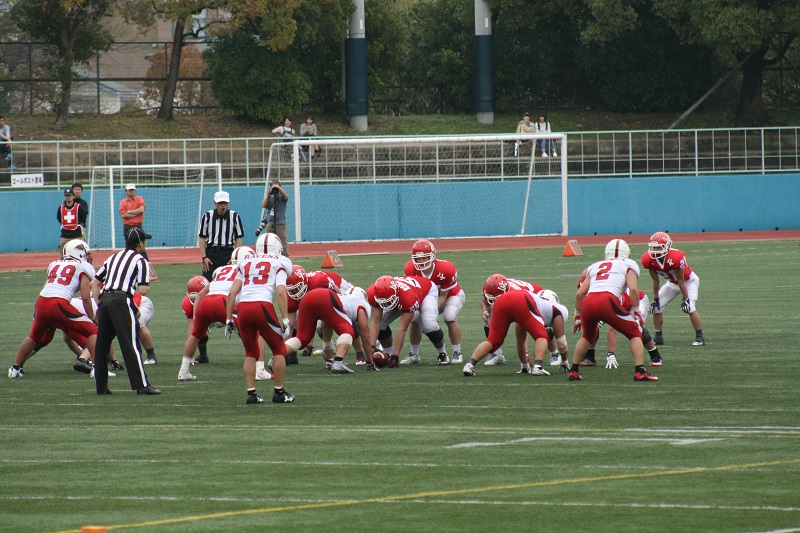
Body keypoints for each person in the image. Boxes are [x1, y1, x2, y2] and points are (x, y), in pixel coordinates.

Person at [566, 239, 658, 382]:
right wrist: (636, 311)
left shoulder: (595, 266)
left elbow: (579, 294)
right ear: (626, 253)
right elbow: (633, 289)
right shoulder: (629, 264)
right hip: (607, 300)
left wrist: (577, 317)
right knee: (635, 332)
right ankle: (640, 371)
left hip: (588, 302)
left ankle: (574, 370)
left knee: (587, 336)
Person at [179, 246, 272, 382]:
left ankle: (183, 371)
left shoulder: (221, 269)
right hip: (223, 303)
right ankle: (260, 370)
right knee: (256, 331)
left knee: (195, 335)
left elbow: (199, 295)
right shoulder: (247, 270)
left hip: (206, 303)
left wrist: (196, 318)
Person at [8, 239, 98, 379]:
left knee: (34, 336)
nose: (87, 257)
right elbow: (86, 297)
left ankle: (15, 368)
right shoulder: (82, 267)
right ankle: (99, 369)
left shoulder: (54, 264)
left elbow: (47, 287)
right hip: (58, 304)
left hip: (41, 302)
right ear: (79, 253)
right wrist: (92, 319)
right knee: (93, 331)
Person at [225, 232, 295, 404]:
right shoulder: (280, 261)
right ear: (277, 247)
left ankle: (251, 394)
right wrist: (285, 318)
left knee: (250, 353)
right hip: (262, 306)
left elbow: (232, 293)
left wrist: (228, 319)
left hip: (243, 308)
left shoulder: (245, 261)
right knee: (279, 349)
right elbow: (280, 291)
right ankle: (279, 392)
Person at [90, 227, 160, 395]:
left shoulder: (113, 257)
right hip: (121, 301)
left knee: (102, 345)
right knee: (131, 344)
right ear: (140, 243)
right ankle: (141, 385)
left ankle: (101, 387)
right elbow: (142, 290)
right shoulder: (140, 260)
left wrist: (100, 303)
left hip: (105, 300)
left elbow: (94, 283)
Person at [284, 287, 378, 373]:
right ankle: (338, 362)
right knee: (348, 332)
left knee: (302, 338)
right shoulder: (361, 306)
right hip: (326, 297)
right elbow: (366, 338)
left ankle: (279, 354)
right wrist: (370, 362)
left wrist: (329, 360)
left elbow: (326, 335)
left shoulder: (344, 299)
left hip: (308, 297)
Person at [462, 289, 552, 378]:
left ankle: (470, 364)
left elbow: (520, 341)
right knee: (541, 335)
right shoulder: (544, 299)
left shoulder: (510, 287)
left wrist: (525, 365)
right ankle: (538, 366)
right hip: (521, 300)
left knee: (492, 341)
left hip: (501, 301)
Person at [402, 239, 466, 363]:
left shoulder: (446, 269)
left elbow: (443, 295)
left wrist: (431, 314)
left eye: (424, 257)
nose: (421, 261)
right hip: (427, 299)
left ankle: (457, 352)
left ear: (432, 255)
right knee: (414, 318)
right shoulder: (410, 269)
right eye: (418, 258)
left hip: (451, 296)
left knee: (449, 317)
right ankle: (414, 354)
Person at [367, 275, 449, 367]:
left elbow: (402, 329)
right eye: (383, 302)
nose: (386, 304)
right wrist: (372, 348)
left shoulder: (408, 298)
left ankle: (442, 353)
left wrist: (395, 356)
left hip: (426, 291)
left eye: (388, 301)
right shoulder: (373, 293)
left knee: (429, 325)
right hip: (402, 295)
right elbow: (375, 321)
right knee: (381, 324)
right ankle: (388, 354)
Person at [641, 231, 705, 346]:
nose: (655, 251)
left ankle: (699, 337)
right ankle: (658, 337)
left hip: (688, 282)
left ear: (667, 246)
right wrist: (656, 299)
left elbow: (681, 280)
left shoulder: (676, 257)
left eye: (658, 247)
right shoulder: (648, 259)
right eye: (653, 247)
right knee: (656, 308)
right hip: (671, 283)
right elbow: (655, 281)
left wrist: (685, 299)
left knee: (689, 307)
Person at [480, 274, 544, 369]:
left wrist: (525, 353)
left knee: (541, 326)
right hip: (516, 298)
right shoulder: (491, 289)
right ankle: (497, 354)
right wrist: (485, 312)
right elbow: (484, 301)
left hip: (536, 296)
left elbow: (522, 324)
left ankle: (554, 353)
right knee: (488, 318)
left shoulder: (515, 293)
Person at [199, 190, 244, 282]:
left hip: (228, 253)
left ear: (228, 203)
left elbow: (239, 237)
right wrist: (204, 257)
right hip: (212, 253)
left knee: (229, 282)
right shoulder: (207, 216)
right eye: (220, 203)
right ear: (215, 203)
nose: (222, 205)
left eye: (225, 203)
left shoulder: (235, 216)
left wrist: (235, 257)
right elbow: (202, 237)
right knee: (206, 282)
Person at [259, 181, 290, 257]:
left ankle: (286, 260)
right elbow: (263, 205)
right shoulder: (270, 198)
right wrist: (268, 194)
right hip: (270, 224)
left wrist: (278, 188)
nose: (275, 189)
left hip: (280, 225)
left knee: (283, 245)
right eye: (273, 187)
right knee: (269, 244)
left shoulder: (282, 198)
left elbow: (285, 196)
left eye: (277, 187)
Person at [119, 183, 148, 261]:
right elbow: (123, 215)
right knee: (129, 247)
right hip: (128, 227)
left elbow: (141, 210)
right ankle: (129, 262)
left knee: (141, 245)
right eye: (129, 190)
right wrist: (136, 213)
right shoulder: (123, 202)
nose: (131, 191)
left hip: (138, 226)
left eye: (133, 190)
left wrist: (129, 212)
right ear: (126, 191)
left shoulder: (139, 199)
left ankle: (145, 261)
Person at [57, 188, 87, 258]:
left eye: (70, 195)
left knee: (80, 255)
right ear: (64, 196)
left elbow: (83, 217)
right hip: (65, 236)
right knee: (63, 256)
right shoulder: (61, 208)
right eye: (66, 196)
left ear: (73, 196)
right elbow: (59, 219)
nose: (68, 197)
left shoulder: (78, 207)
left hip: (77, 235)